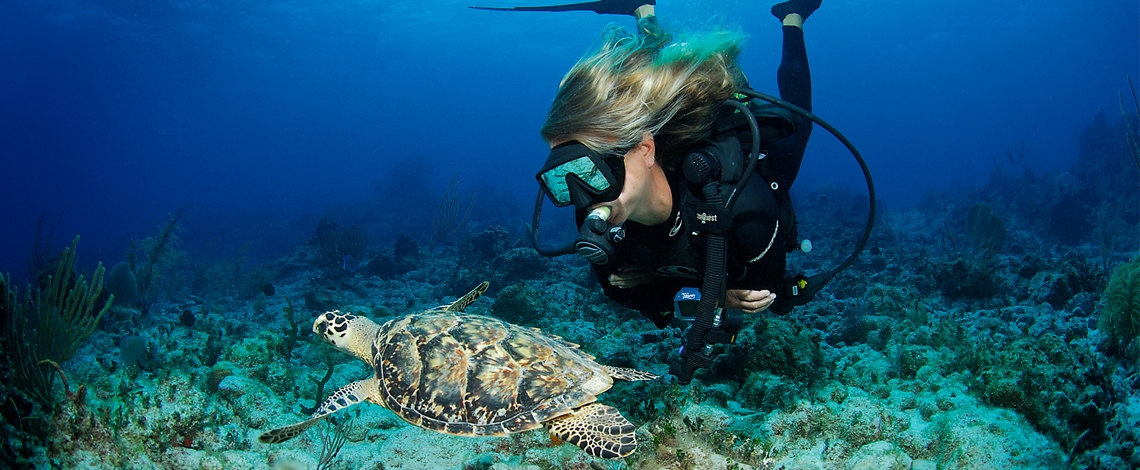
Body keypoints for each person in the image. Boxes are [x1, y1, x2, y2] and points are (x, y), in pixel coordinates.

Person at [533, 0, 824, 328]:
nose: (586, 199)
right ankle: (643, 12)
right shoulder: (600, 203)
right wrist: (715, 294)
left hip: (747, 158)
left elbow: (762, 291)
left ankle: (792, 17)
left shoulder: (737, 199)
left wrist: (662, 285)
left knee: (799, 124)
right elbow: (620, 294)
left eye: (595, 167)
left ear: (645, 148)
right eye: (565, 176)